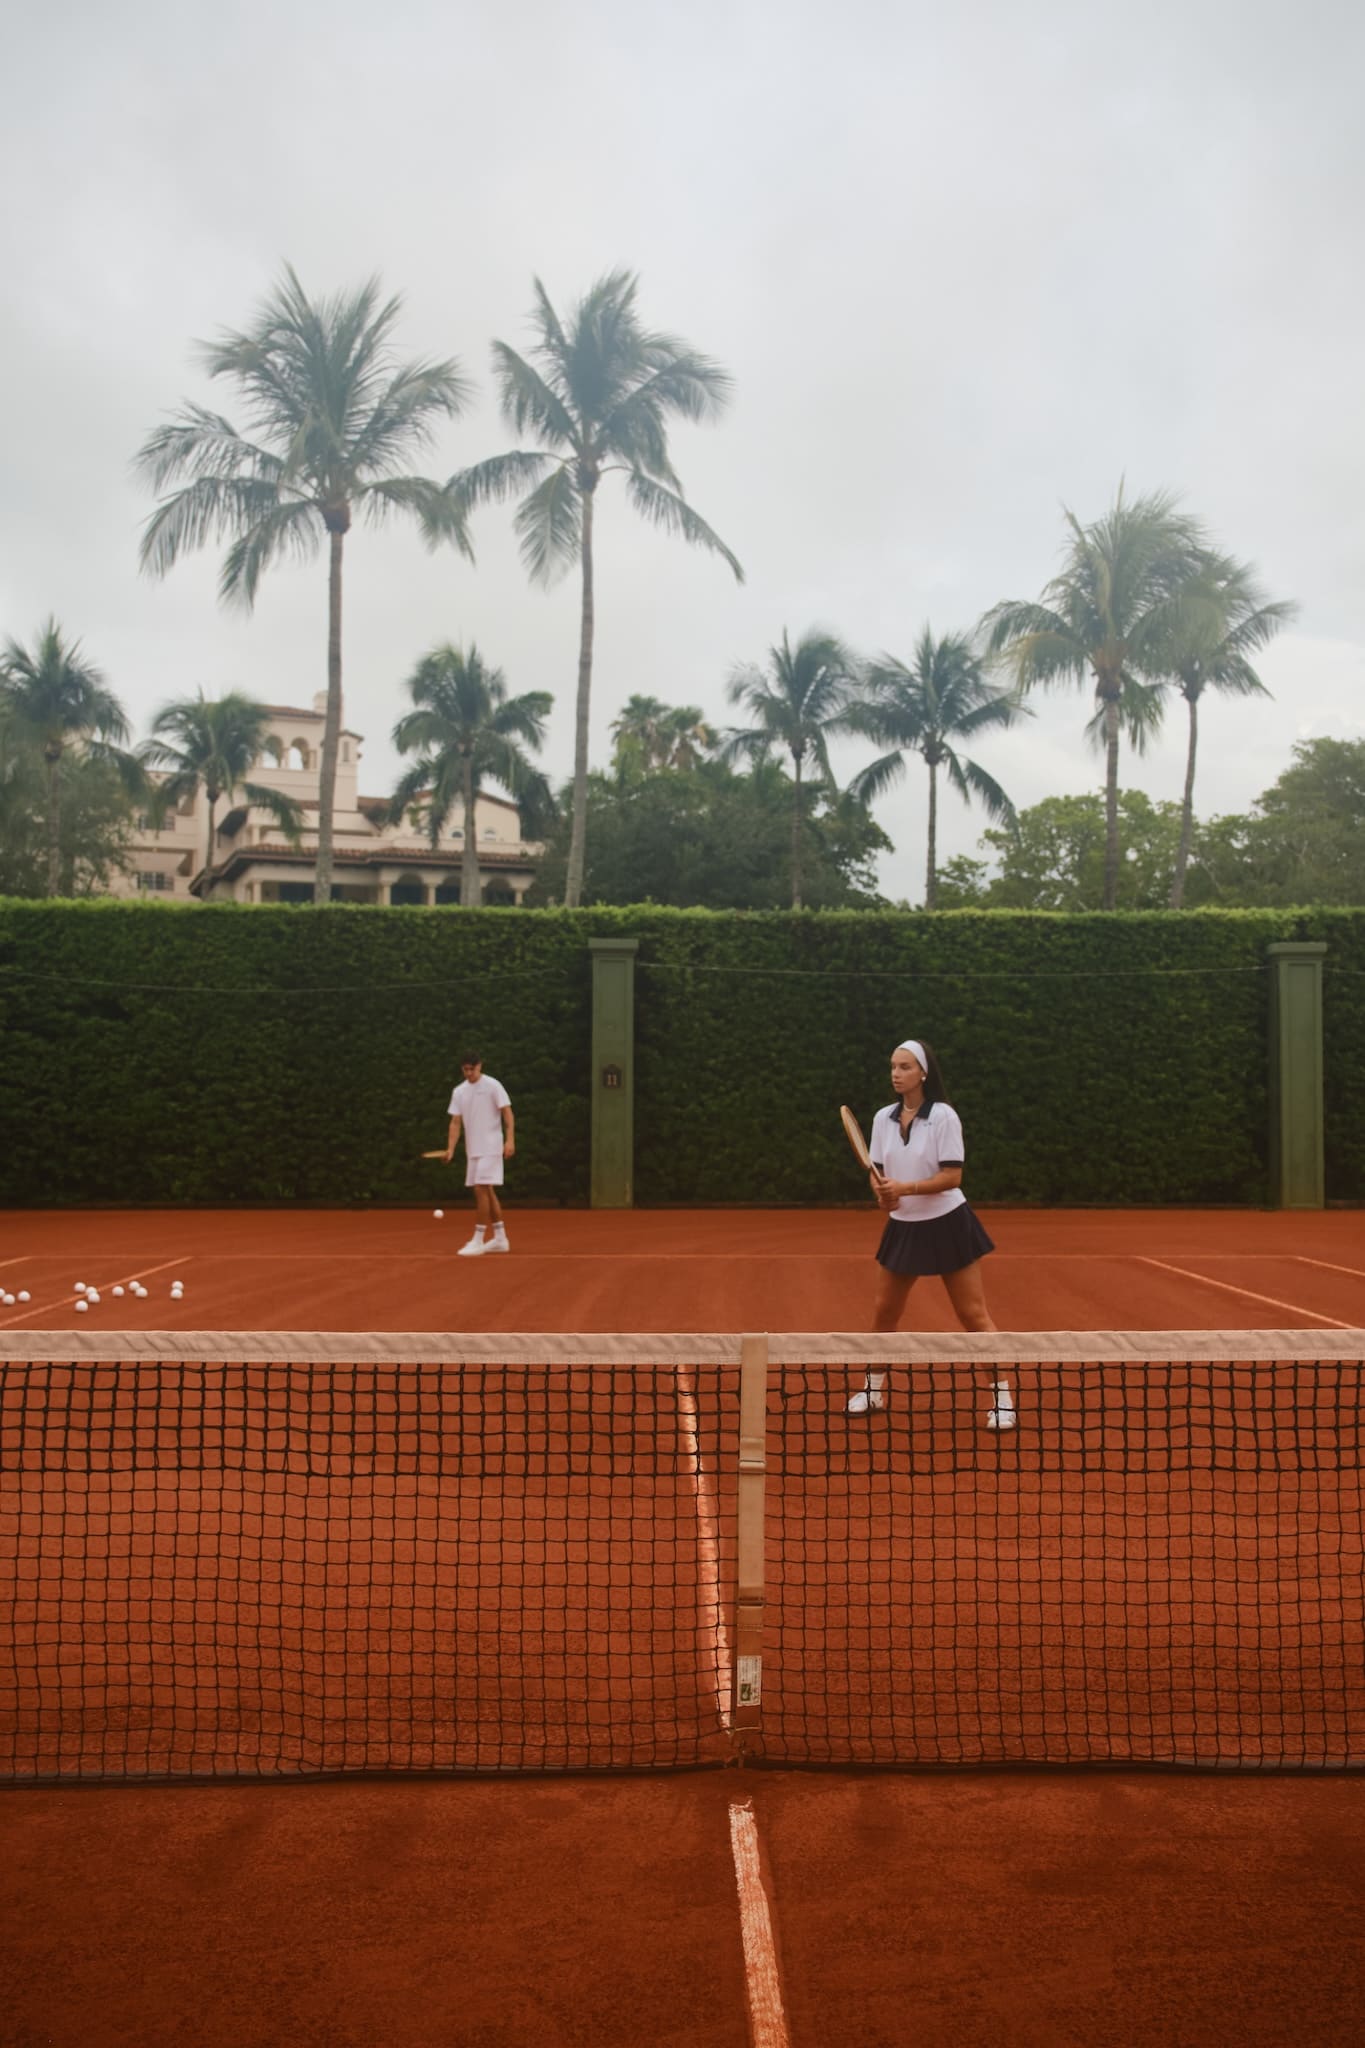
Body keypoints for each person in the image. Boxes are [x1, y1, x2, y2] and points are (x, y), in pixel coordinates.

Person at [848, 1037, 996, 1414]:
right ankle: (873, 1389)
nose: (896, 1074)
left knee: (973, 1315)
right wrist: (883, 1195)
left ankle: (1002, 1397)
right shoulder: (883, 1117)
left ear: (923, 1073)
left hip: (949, 1222)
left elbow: (953, 1176)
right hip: (904, 1226)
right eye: (893, 1067)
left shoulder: (944, 1116)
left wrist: (906, 1187)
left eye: (905, 1067)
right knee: (884, 1312)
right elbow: (878, 1171)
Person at [444, 1050, 515, 1257]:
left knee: (480, 1189)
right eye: (465, 1069)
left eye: (471, 1069)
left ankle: (478, 1239)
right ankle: (501, 1239)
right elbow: (455, 1122)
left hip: (492, 1146)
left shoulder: (493, 1085)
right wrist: (450, 1149)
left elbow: (507, 1112)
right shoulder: (459, 1091)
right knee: (488, 1190)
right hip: (473, 1150)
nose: (468, 1073)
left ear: (480, 1066)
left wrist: (510, 1140)